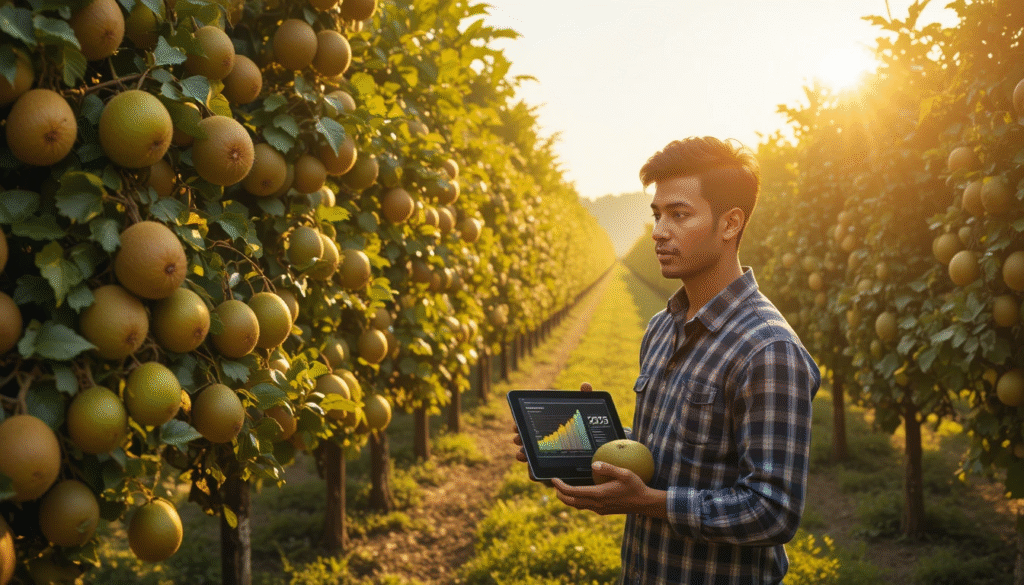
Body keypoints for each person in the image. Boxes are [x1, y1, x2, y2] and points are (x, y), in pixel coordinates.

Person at [514, 136, 820, 584]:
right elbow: (671, 452)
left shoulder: (768, 350)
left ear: (730, 223)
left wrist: (649, 503)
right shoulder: (662, 327)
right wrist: (576, 447)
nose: (659, 231)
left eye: (679, 214)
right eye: (658, 215)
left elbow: (773, 512)